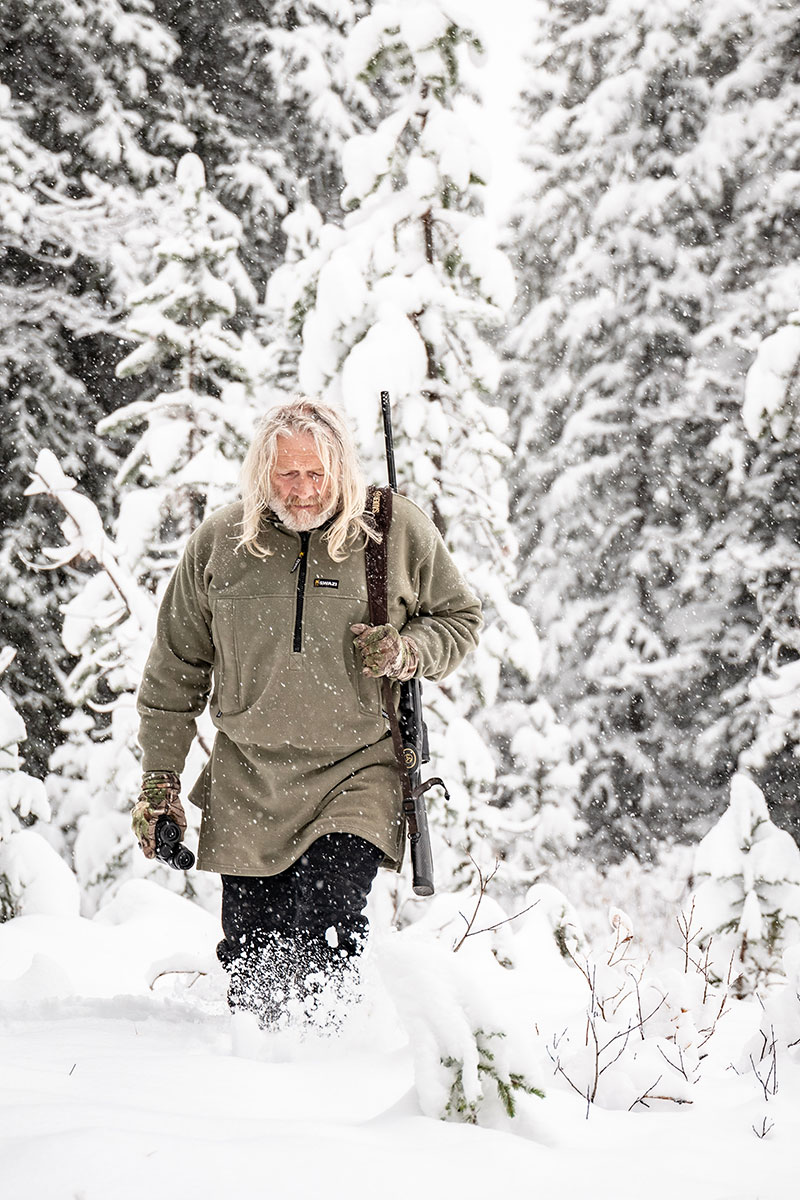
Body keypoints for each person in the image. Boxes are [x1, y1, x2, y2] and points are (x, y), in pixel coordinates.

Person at [131, 397, 482, 1025]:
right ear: (261, 473)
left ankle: (331, 1064)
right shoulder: (220, 544)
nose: (302, 490)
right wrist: (161, 783)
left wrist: (408, 650)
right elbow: (173, 671)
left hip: (358, 771)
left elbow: (459, 620)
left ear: (341, 468)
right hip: (248, 780)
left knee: (327, 929)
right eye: (286, 475)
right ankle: (268, 1096)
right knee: (255, 970)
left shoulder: (392, 530)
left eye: (316, 473)